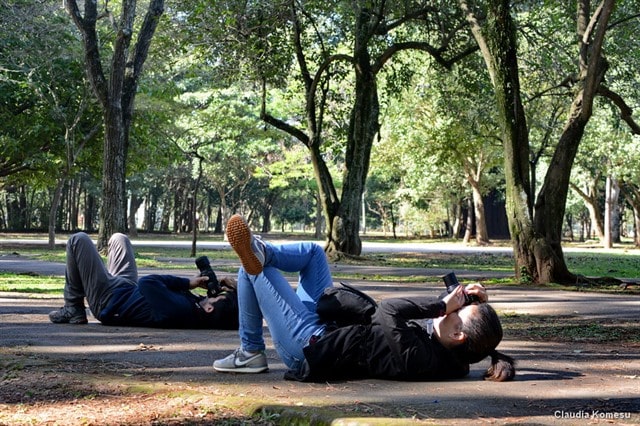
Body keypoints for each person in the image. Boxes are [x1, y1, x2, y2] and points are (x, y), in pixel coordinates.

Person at [213, 214, 516, 382]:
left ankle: (250, 351)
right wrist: (470, 297)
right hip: (331, 326)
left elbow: (390, 310)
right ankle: (264, 251)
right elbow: (441, 318)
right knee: (315, 254)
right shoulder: (450, 346)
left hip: (310, 345)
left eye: (456, 311)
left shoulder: (422, 360)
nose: (448, 309)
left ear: (459, 334)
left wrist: (442, 304)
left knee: (251, 269)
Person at [48, 232, 239, 329]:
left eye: (215, 297)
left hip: (109, 300)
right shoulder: (196, 309)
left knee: (78, 240)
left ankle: (73, 307)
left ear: (209, 308)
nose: (211, 294)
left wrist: (188, 283)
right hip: (127, 291)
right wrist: (235, 288)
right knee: (119, 238)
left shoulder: (180, 309)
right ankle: (81, 298)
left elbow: (148, 283)